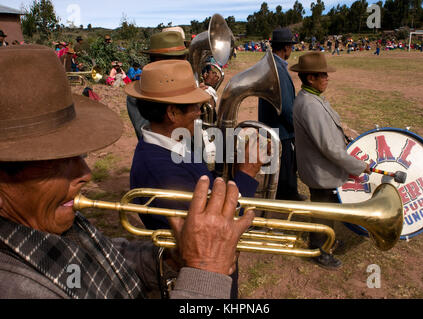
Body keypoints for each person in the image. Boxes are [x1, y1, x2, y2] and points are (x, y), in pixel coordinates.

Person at [0, 44, 253, 299]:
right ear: (172, 112)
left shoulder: (54, 222)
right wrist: (205, 272)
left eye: (79, 155)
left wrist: (168, 259)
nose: (86, 173)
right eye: (56, 161)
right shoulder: (18, 289)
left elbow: (101, 258)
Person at [125, 60, 264, 298]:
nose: (200, 113)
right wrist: (247, 174)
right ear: (172, 113)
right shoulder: (163, 171)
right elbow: (217, 224)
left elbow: (203, 183)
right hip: (202, 274)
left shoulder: (169, 144)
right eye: (194, 107)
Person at [290, 52, 371, 270]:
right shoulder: (310, 105)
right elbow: (328, 147)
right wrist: (359, 166)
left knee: (327, 207)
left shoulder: (313, 98)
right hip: (320, 170)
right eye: (323, 75)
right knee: (322, 211)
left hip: (322, 167)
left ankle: (327, 240)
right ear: (310, 79)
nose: (327, 78)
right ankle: (319, 250)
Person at [258, 27, 306, 202]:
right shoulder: (279, 69)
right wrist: (297, 127)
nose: (291, 50)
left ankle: (286, 194)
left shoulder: (271, 66)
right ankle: (288, 197)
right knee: (286, 167)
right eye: (291, 47)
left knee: (280, 168)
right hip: (282, 131)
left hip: (271, 127)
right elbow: (286, 108)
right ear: (286, 47)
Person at [127, 31, 189, 140]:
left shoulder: (187, 85)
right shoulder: (138, 94)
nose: (181, 63)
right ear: (155, 61)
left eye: (182, 57)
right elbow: (147, 136)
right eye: (171, 59)